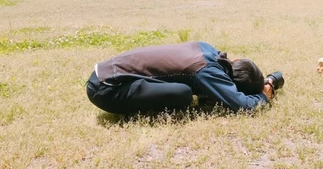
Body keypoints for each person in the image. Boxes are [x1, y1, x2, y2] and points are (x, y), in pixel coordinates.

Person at [86, 41, 274, 114]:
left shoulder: (207, 49)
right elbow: (243, 105)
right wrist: (263, 96)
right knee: (183, 95)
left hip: (104, 73)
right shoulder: (208, 71)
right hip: (107, 90)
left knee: (184, 88)